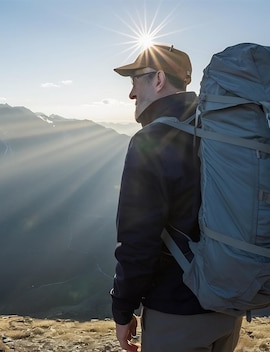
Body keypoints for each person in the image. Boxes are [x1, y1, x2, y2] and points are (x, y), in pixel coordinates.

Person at [110, 44, 243, 352]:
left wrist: (122, 308)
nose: (131, 93)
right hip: (229, 304)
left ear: (158, 79)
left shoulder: (151, 141)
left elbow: (138, 240)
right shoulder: (220, 132)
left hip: (177, 313)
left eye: (135, 81)